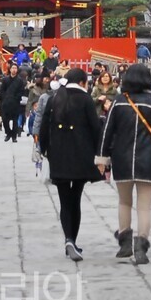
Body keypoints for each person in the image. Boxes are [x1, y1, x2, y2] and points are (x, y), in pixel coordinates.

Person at [99, 63, 151, 265]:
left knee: (124, 202)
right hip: (149, 160)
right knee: (144, 206)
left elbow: (107, 131)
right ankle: (141, 246)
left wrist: (102, 157)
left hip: (122, 159)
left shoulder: (118, 102)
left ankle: (124, 242)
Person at [39, 68, 102, 261]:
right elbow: (95, 128)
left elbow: (44, 126)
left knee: (65, 201)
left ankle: (68, 239)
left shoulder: (54, 98)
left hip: (58, 154)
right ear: (83, 82)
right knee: (76, 199)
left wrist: (44, 150)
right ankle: (72, 240)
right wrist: (101, 155)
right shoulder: (85, 100)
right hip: (81, 155)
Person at [0, 63, 26, 141]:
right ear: (10, 69)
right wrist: (5, 97)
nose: (14, 69)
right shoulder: (5, 79)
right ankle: (8, 133)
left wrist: (16, 98)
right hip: (6, 103)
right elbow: (2, 90)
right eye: (13, 68)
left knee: (15, 120)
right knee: (5, 120)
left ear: (17, 70)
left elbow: (21, 91)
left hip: (15, 103)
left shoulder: (20, 80)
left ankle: (14, 136)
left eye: (15, 68)